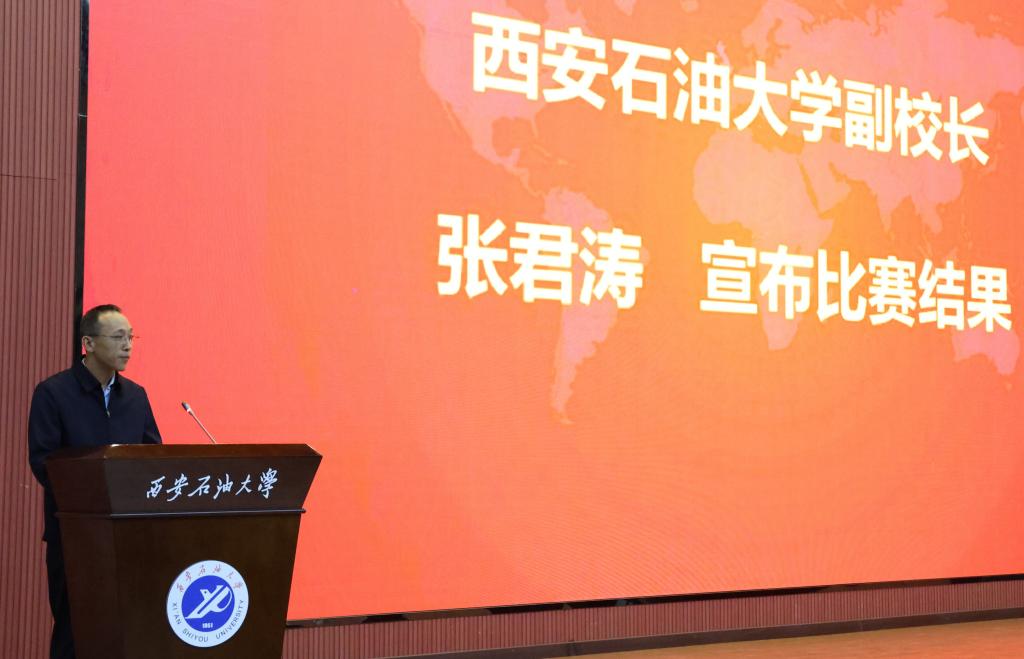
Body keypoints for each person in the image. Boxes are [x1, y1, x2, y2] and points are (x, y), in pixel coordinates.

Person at [28, 304, 162, 659]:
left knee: (128, 630)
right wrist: (97, 492)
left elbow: (152, 458)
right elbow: (44, 462)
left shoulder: (136, 396)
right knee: (75, 631)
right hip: (75, 535)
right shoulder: (53, 393)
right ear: (88, 343)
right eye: (118, 337)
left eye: (131, 337)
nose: (128, 345)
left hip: (128, 535)